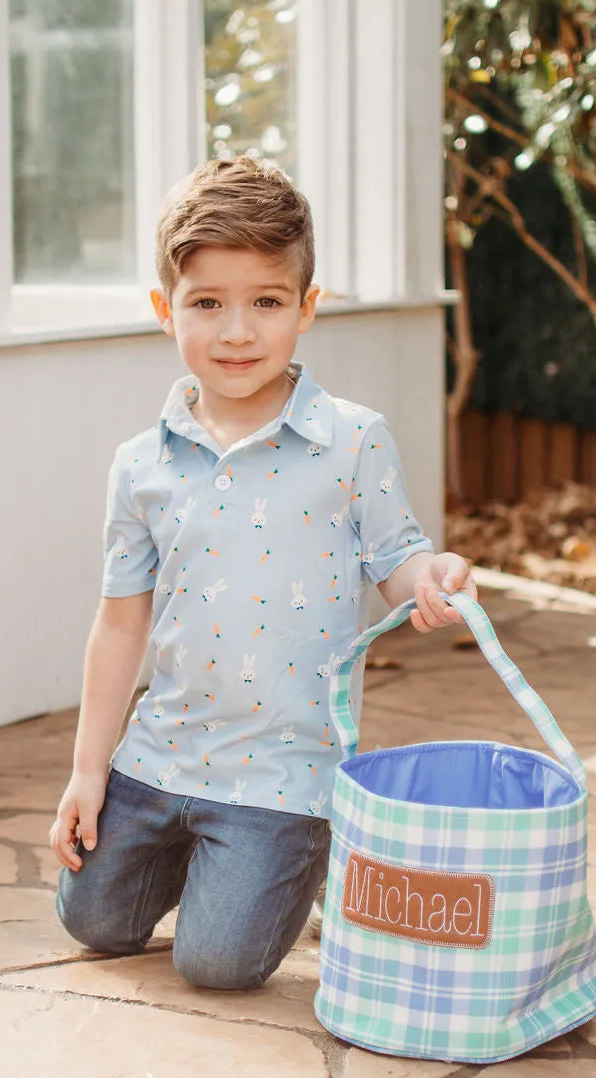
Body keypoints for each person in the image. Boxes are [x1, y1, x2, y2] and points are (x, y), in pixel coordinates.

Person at [50, 157, 476, 989]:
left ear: (306, 309)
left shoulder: (353, 441)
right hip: (159, 754)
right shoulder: (141, 465)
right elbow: (119, 623)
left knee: (218, 965)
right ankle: (195, 856)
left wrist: (433, 578)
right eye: (207, 303)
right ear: (164, 309)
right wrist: (88, 770)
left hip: (283, 775)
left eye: (267, 303)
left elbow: (397, 560)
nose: (237, 332)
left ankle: (277, 863)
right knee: (91, 923)